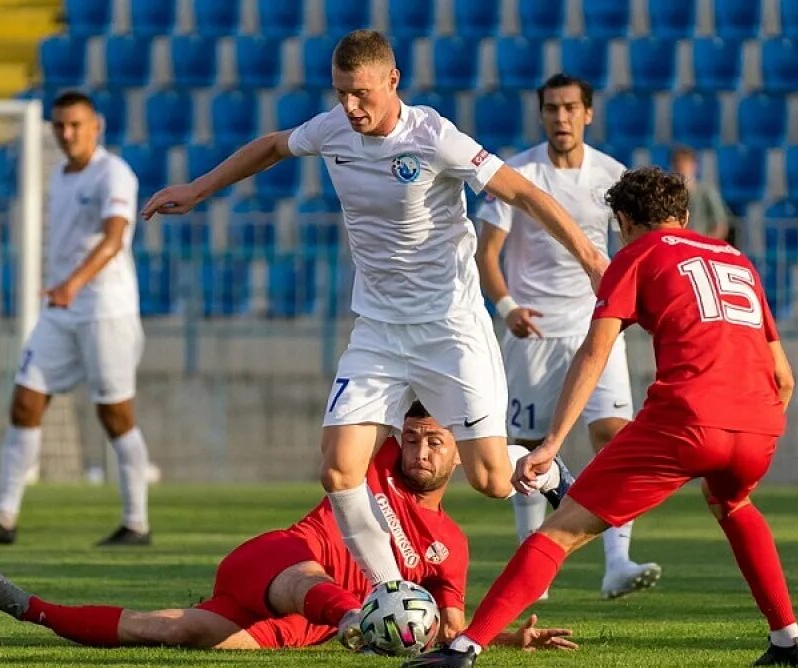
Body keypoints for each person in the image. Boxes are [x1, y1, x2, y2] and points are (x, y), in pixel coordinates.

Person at [141, 31, 607, 591]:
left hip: (448, 327)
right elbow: (271, 145)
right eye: (341, 94)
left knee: (489, 479)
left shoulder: (436, 137)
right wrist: (198, 188)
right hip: (379, 330)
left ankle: (549, 471)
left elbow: (524, 193)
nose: (350, 107)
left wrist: (590, 258)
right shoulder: (333, 128)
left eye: (361, 93)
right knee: (339, 469)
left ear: (393, 81)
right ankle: (395, 596)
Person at [405, 167, 798, 668]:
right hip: (760, 423)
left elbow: (596, 352)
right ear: (684, 216)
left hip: (687, 420)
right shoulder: (738, 260)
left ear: (623, 221)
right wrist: (751, 426)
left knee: (560, 531)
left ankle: (464, 648)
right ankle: (787, 639)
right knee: (732, 503)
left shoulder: (636, 256)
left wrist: (552, 442)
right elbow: (784, 375)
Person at [0, 403, 576, 654]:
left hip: (306, 626)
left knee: (178, 633)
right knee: (310, 578)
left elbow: (447, 626)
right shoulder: (379, 461)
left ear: (456, 454)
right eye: (412, 437)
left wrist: (500, 641)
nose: (419, 449)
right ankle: (352, 618)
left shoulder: (454, 546)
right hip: (281, 563)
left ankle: (33, 609)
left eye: (436, 441)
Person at [475, 73, 660, 600]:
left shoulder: (611, 175)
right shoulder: (520, 174)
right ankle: (533, 569)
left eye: (571, 108)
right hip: (532, 331)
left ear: (588, 114)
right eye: (552, 108)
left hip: (595, 324)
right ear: (542, 114)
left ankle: (617, 561)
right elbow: (487, 254)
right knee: (529, 449)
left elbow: (631, 248)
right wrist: (506, 305)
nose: (561, 117)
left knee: (615, 434)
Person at [0, 90, 153, 547]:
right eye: (59, 126)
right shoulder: (60, 175)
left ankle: (136, 523)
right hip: (62, 310)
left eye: (75, 125)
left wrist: (73, 283)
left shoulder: (114, 173)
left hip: (107, 310)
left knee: (115, 414)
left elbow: (115, 237)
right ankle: (3, 518)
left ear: (96, 126)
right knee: (25, 400)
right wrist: (64, 290)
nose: (67, 134)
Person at [670, 146, 731, 242]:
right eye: (678, 165)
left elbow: (721, 225)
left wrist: (704, 243)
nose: (682, 169)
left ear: (694, 166)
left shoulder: (707, 192)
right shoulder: (669, 196)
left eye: (685, 164)